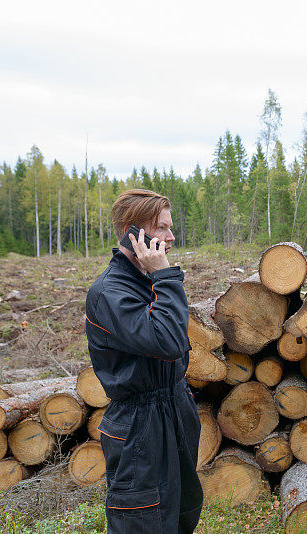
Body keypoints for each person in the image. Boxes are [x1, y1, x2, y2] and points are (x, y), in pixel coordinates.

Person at [85, 189, 203, 533]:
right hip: (140, 424)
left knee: (182, 511)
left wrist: (160, 278)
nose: (171, 238)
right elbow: (167, 342)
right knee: (142, 520)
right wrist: (166, 277)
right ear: (130, 231)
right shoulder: (110, 292)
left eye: (170, 228)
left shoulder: (147, 280)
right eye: (161, 228)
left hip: (175, 407)